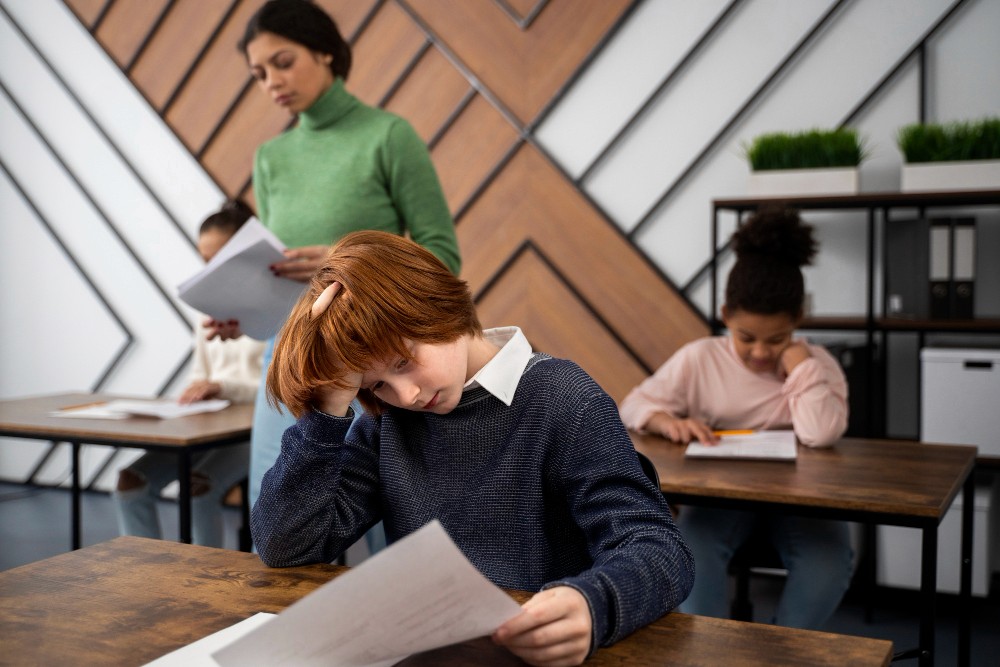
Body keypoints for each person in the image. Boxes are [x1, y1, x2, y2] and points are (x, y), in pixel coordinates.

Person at [253, 231, 694, 666]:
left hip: (534, 652)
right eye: (378, 385)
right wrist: (328, 407)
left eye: (404, 361)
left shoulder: (562, 398)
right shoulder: (388, 424)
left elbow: (658, 548)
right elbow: (285, 545)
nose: (405, 395)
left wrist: (592, 605)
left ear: (439, 306)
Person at [220, 0, 462, 527]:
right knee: (278, 512)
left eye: (283, 62)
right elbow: (284, 276)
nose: (271, 83)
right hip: (289, 352)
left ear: (326, 51)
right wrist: (241, 307)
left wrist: (343, 262)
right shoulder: (270, 157)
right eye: (259, 74)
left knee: (391, 516)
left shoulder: (388, 136)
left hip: (377, 356)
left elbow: (442, 257)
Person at [619, 206, 853, 631]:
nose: (761, 353)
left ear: (798, 321)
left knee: (828, 562)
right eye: (746, 338)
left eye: (777, 339)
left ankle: (780, 654)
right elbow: (632, 405)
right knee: (690, 549)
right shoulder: (700, 358)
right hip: (720, 501)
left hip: (804, 504)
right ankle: (716, 653)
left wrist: (800, 366)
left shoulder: (818, 366)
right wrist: (665, 421)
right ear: (726, 316)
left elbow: (819, 433)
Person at [114, 200, 265, 547]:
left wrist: (221, 386)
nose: (211, 269)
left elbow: (284, 389)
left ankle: (203, 585)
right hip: (212, 425)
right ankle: (147, 582)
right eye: (205, 260)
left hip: (256, 426)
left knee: (198, 486)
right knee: (130, 481)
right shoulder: (206, 306)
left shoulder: (278, 303)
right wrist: (196, 391)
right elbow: (201, 372)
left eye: (220, 258)